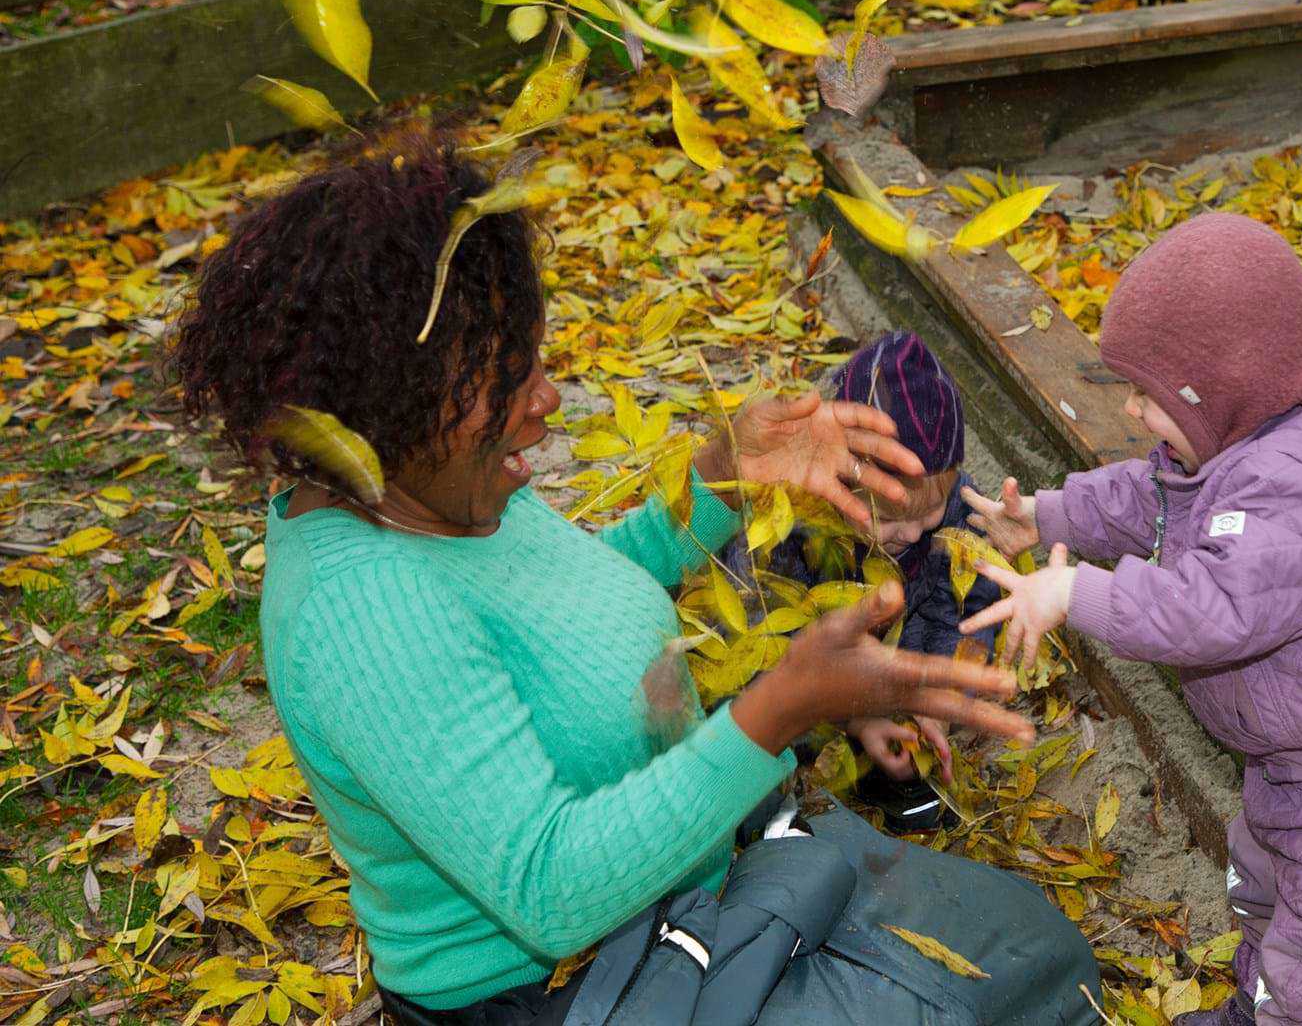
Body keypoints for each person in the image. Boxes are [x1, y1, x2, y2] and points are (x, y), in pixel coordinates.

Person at [168, 128, 1100, 1024]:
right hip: (562, 988)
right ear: (388, 409)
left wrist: (717, 478)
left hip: (686, 886)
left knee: (1034, 957)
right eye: (506, 382)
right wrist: (777, 710)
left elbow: (563, 612)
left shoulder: (431, 490)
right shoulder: (362, 617)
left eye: (533, 362)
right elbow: (553, 892)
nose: (547, 402)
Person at [959, 213, 1302, 1026]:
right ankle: (1257, 1010)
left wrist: (1076, 595)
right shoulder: (1223, 449)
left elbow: (1215, 611)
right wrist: (1052, 519)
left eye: (1151, 394)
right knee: (1269, 899)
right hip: (1294, 766)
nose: (1134, 410)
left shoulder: (1298, 482)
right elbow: (1147, 500)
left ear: (1220, 386)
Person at [725, 331, 1002, 832]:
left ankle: (891, 757)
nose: (913, 533)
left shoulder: (957, 512)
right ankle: (783, 782)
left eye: (930, 513)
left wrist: (934, 695)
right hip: (805, 670)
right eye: (889, 519)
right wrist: (854, 715)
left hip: (886, 670)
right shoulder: (797, 528)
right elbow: (770, 638)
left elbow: (963, 609)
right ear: (844, 479)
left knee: (929, 640)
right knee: (750, 698)